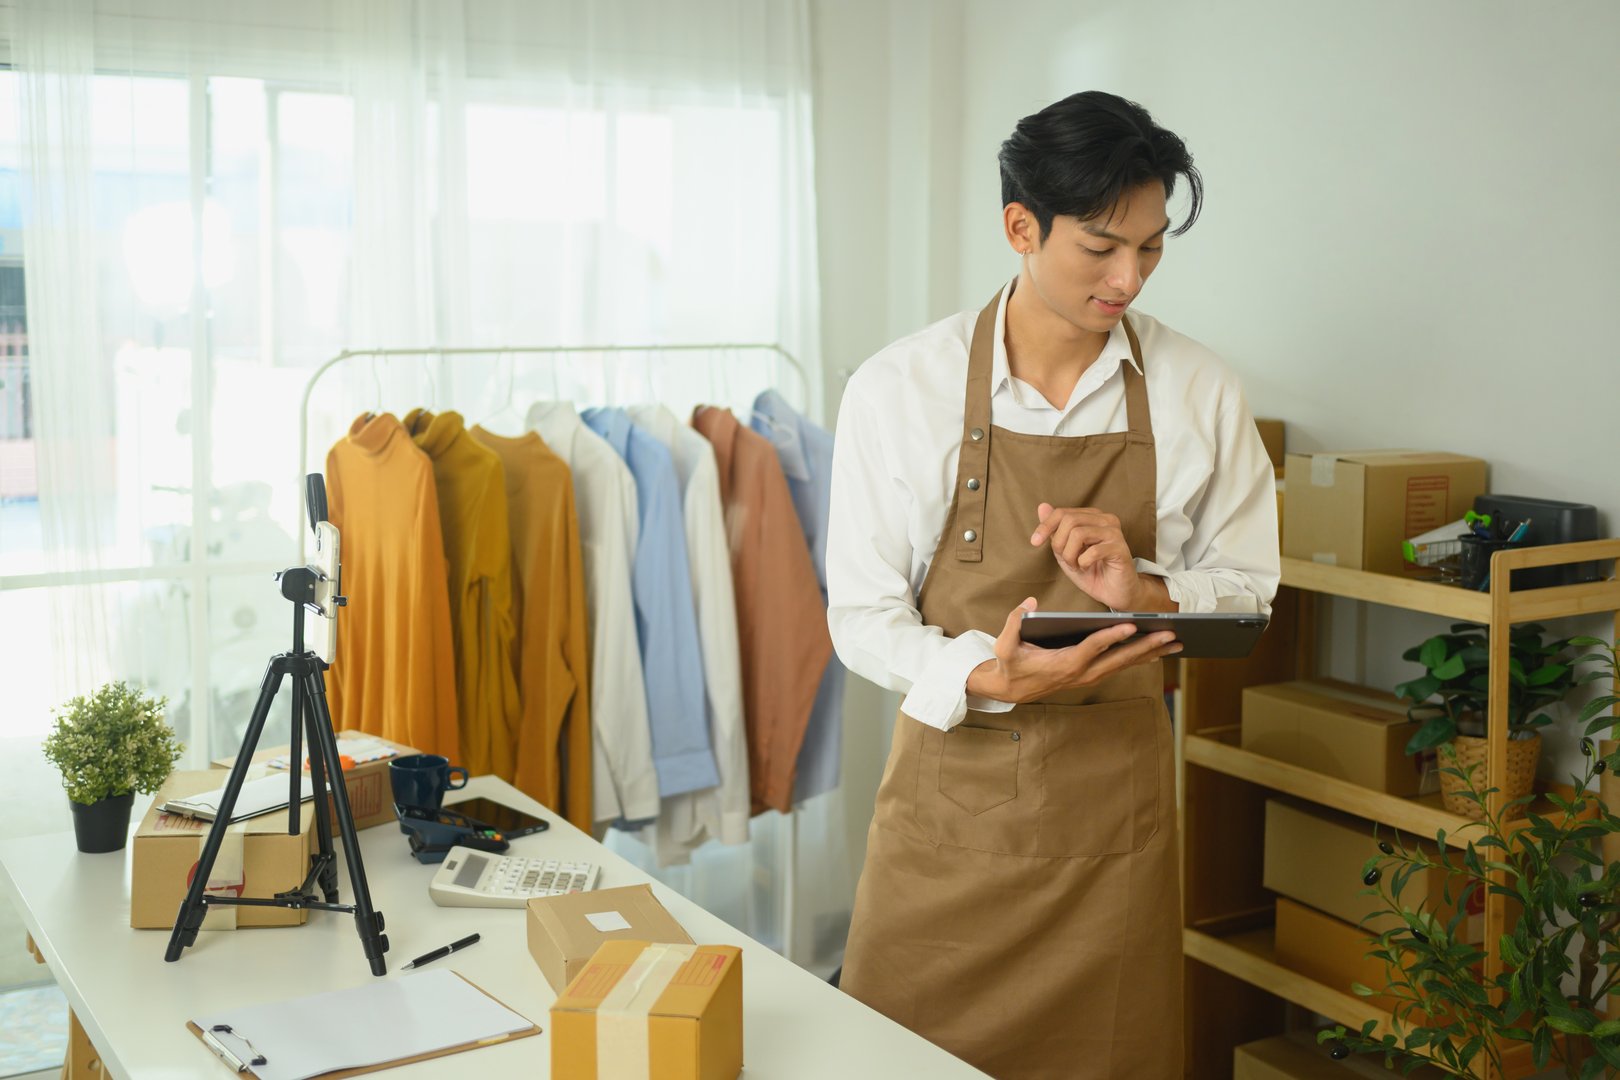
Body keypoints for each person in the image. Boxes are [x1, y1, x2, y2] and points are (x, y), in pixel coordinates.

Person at [827, 91, 1281, 1078]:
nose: (1130, 277)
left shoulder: (1201, 390)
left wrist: (1146, 589)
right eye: (1102, 247)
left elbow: (1248, 597)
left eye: (1153, 249)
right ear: (1020, 227)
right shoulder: (899, 388)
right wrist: (981, 675)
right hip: (949, 817)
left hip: (1110, 818)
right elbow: (861, 616)